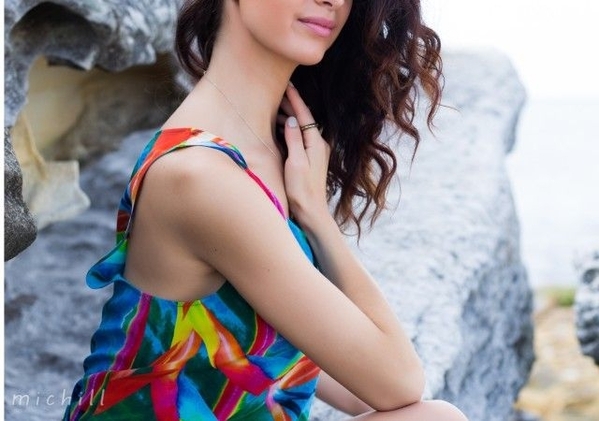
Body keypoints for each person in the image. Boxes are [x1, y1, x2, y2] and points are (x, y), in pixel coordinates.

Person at [63, 0, 469, 420]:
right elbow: (398, 381)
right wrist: (316, 218)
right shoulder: (200, 176)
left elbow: (359, 384)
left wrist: (314, 212)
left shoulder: (267, 146)